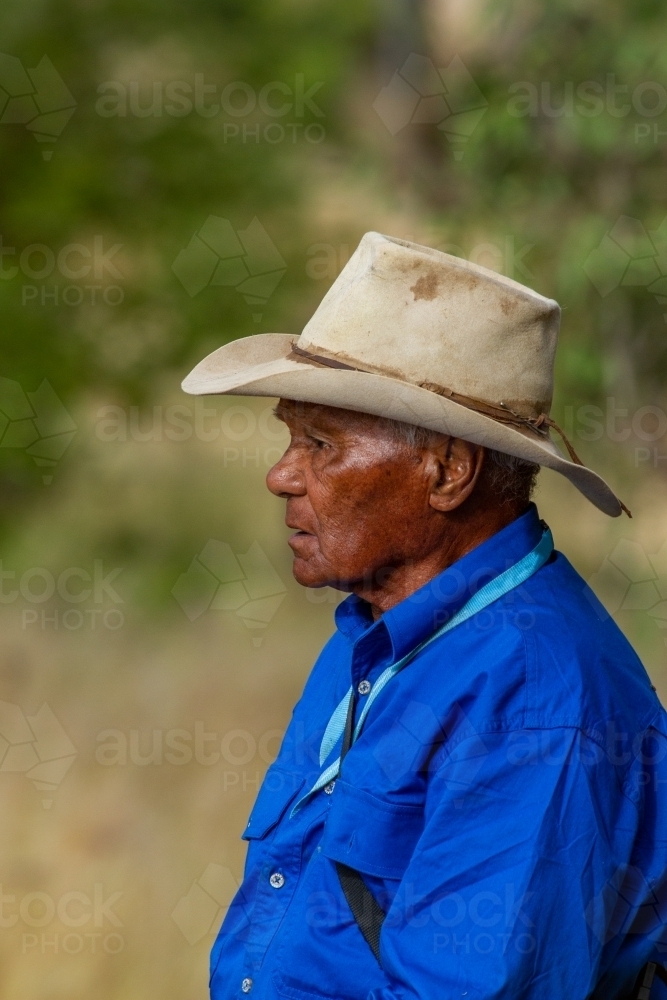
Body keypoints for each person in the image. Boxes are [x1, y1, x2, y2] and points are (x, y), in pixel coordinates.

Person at [182, 233, 667, 999]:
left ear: (446, 470)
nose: (281, 476)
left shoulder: (535, 705)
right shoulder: (380, 632)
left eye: (319, 443)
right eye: (287, 437)